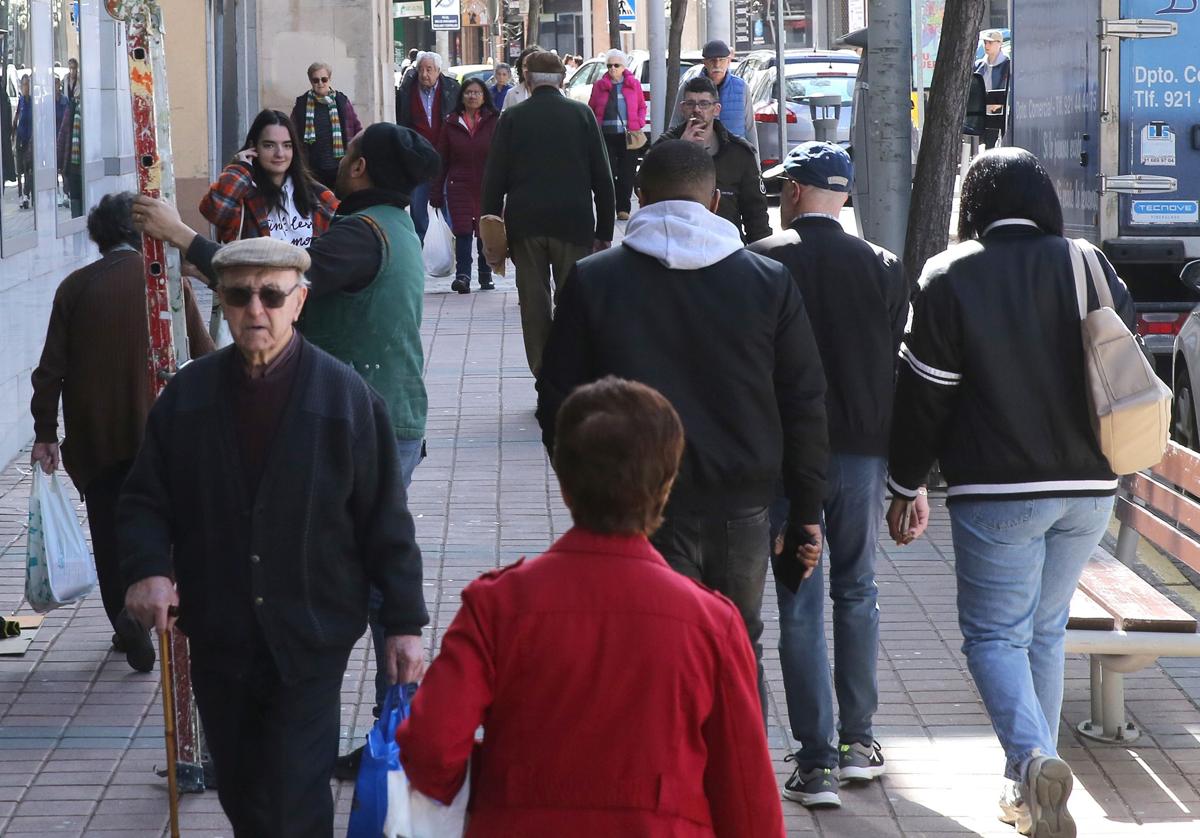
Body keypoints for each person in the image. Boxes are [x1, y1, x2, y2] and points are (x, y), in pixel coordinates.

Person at [132, 125, 439, 779]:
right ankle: (384, 728)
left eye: (269, 298)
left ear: (356, 166)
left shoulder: (363, 234)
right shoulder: (393, 223)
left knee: (333, 572)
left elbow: (270, 278)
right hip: (382, 413)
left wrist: (179, 234)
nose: (256, 308)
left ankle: (389, 731)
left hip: (359, 422)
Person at [398, 377, 786, 837]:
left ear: (564, 483)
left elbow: (430, 746)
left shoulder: (497, 604)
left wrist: (494, 786)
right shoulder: (711, 623)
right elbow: (747, 795)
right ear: (665, 487)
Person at [887, 149, 1135, 838]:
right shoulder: (1087, 262)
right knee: (1043, 631)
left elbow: (923, 398)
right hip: (1090, 486)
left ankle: (1031, 761)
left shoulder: (951, 274)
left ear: (974, 206)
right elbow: (1123, 349)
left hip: (998, 488)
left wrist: (905, 484)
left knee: (995, 635)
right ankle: (1029, 790)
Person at [536, 140, 829, 720]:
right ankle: (740, 787)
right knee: (738, 647)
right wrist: (806, 510)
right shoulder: (767, 282)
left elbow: (558, 401)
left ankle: (660, 789)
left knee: (646, 653)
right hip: (741, 502)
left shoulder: (594, 281)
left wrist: (587, 491)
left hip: (632, 503)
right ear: (716, 201)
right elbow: (804, 402)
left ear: (639, 198)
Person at [749, 142, 912, 809]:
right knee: (857, 589)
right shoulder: (883, 265)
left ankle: (813, 762)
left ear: (792, 192)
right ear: (841, 197)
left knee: (799, 597)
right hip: (862, 456)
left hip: (788, 460)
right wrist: (910, 479)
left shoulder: (761, 260)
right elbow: (898, 367)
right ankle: (858, 743)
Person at [30, 192, 213, 673]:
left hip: (99, 439)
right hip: (163, 434)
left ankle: (125, 620)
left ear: (99, 238)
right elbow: (207, 351)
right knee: (173, 526)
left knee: (112, 534)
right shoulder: (165, 282)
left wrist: (46, 432)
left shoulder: (74, 288)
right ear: (142, 234)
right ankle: (175, 608)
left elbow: (50, 372)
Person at [482, 51, 615, 376]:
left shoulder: (513, 118)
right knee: (572, 301)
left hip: (525, 225)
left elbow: (493, 179)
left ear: (527, 80)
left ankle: (544, 374)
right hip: (574, 223)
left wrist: (489, 226)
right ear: (563, 80)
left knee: (533, 302)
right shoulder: (581, 115)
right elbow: (603, 177)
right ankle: (571, 372)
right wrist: (605, 232)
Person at [201, 109, 339, 246]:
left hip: (307, 268)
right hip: (253, 268)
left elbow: (344, 236)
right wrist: (241, 169)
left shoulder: (316, 194)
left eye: (287, 145)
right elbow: (215, 211)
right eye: (269, 145)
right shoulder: (242, 195)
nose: (280, 154)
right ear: (253, 147)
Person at [658, 76, 770, 243]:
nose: (697, 110)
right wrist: (681, 151)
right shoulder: (663, 148)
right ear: (682, 108)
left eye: (704, 104)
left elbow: (756, 215)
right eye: (690, 104)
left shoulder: (739, 153)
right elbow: (648, 195)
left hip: (727, 249)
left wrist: (762, 257)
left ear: (716, 109)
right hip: (677, 247)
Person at [432, 79, 499, 294]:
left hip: (486, 184)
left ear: (484, 96)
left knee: (484, 230)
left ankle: (485, 274)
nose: (472, 96)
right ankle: (463, 275)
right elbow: (441, 159)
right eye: (468, 92)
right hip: (458, 184)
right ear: (462, 96)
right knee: (461, 231)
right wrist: (436, 189)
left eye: (477, 92)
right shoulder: (451, 122)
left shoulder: (494, 121)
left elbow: (502, 155)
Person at [396, 51, 461, 242]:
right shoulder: (406, 92)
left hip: (445, 158)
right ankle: (419, 246)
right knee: (417, 206)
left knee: (447, 203)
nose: (424, 74)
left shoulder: (452, 89)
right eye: (421, 69)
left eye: (429, 69)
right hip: (418, 159)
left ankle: (450, 243)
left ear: (438, 71)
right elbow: (403, 124)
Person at [670, 40, 757, 160]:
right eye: (712, 60)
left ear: (728, 61)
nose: (717, 65)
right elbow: (675, 123)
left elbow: (750, 128)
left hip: (734, 158)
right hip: (698, 156)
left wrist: (756, 166)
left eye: (721, 60)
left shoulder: (741, 88)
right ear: (704, 62)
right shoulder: (689, 87)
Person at [587, 49, 646, 222]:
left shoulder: (633, 83)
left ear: (623, 66)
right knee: (609, 173)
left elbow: (642, 106)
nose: (612, 69)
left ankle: (623, 208)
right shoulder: (600, 85)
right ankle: (609, 205)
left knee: (627, 174)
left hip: (628, 136)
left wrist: (639, 122)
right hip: (606, 135)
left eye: (616, 65)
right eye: (609, 65)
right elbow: (591, 107)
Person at [290, 62, 363, 191]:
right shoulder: (302, 104)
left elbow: (357, 129)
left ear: (329, 79)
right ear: (310, 81)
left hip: (340, 167)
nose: (320, 83)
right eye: (315, 80)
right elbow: (291, 132)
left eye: (324, 79)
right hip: (313, 168)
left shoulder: (342, 101)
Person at [974, 30, 1011, 148]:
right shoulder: (979, 65)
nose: (986, 45)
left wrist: (999, 104)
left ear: (999, 43)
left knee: (996, 145)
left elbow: (1008, 88)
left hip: (998, 114)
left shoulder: (1007, 64)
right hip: (981, 113)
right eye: (985, 42)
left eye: (990, 42)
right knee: (982, 147)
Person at [500, 45, 544, 113]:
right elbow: (503, 121)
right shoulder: (511, 94)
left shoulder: (556, 92)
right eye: (525, 66)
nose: (527, 69)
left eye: (532, 65)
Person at [14, 74, 33, 210]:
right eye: (24, 85)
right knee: (20, 169)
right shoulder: (20, 100)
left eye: (28, 85)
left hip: (30, 140)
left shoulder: (32, 101)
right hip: (20, 139)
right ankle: (21, 195)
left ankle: (27, 194)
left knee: (29, 169)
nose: (26, 87)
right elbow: (16, 118)